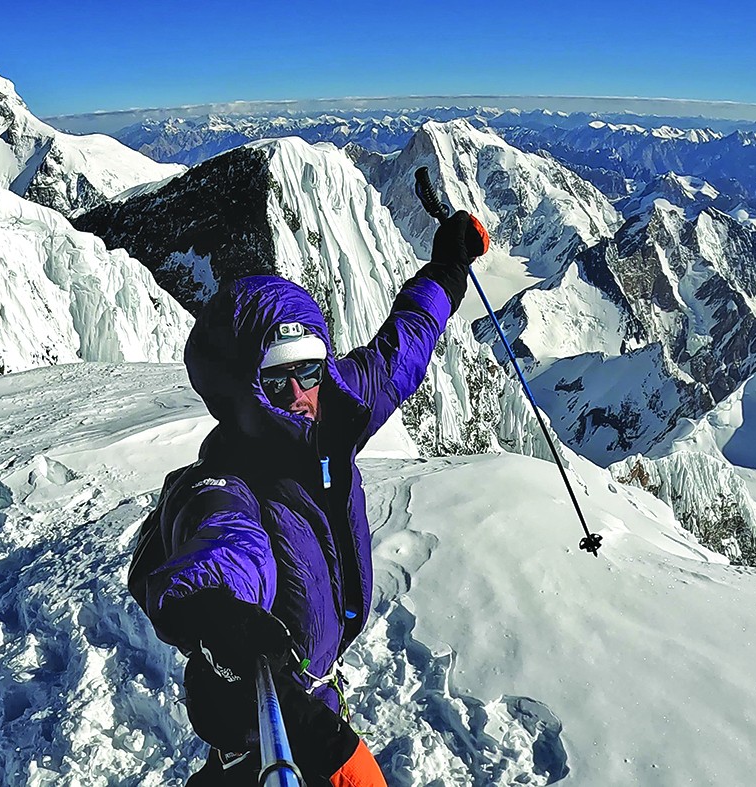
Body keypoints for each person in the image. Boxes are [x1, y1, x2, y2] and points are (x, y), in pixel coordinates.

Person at [127, 211, 489, 786]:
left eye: (310, 371)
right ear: (242, 387)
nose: (299, 394)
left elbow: (405, 343)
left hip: (317, 693)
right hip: (268, 732)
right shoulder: (229, 478)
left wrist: (446, 270)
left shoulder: (337, 410)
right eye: (277, 380)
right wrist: (220, 609)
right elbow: (225, 538)